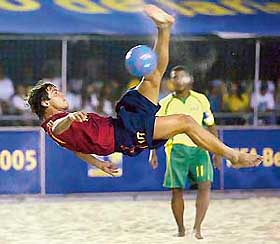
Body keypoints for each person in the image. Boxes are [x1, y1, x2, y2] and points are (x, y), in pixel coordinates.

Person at [27, 5, 262, 176]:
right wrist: (69, 118)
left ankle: (165, 28)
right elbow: (59, 126)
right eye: (54, 92)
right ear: (45, 103)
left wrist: (98, 164)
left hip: (121, 124)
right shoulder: (53, 126)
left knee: (153, 77)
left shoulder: (62, 134)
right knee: (186, 121)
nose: (60, 93)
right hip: (127, 134)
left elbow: (77, 150)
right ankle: (234, 156)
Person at [150, 66, 221, 239]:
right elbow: (155, 129)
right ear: (171, 81)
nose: (178, 80)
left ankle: (197, 228)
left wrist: (217, 151)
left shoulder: (201, 99)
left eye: (182, 77)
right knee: (177, 191)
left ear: (190, 79)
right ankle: (181, 229)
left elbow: (210, 124)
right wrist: (152, 152)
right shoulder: (165, 103)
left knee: (205, 185)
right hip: (176, 150)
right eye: (174, 77)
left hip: (200, 148)